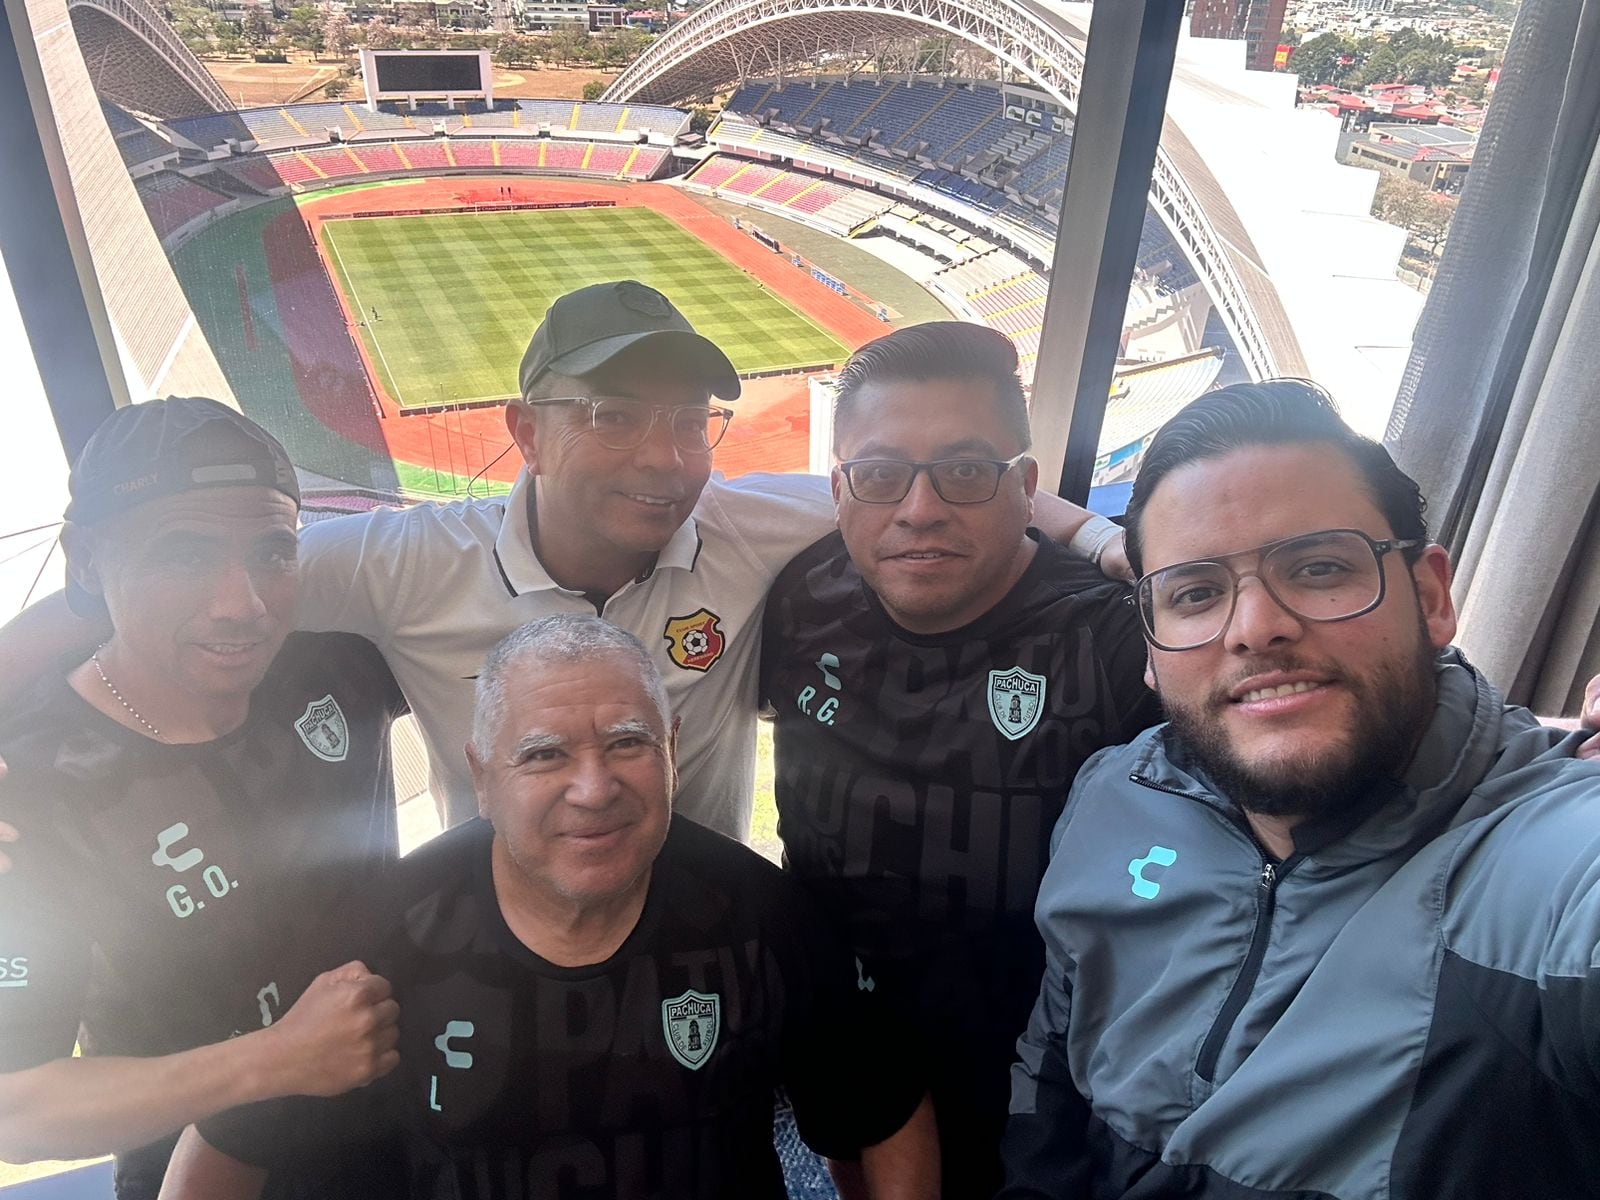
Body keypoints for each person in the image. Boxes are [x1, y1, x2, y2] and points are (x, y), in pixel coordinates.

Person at [0, 282, 1122, 844]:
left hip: (701, 927)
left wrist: (1092, 535)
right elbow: (133, 598)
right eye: (612, 416)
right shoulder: (403, 560)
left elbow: (930, 478)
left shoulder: (753, 520)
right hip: (497, 934)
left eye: (691, 422)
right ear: (526, 431)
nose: (664, 458)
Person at [1002, 380, 1600, 1199]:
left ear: (1430, 598)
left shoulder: (1546, 863)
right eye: (1195, 592)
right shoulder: (1114, 794)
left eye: (1318, 568)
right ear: (1149, 645)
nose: (1256, 626)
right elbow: (1049, 1077)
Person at [160, 616, 940, 1200]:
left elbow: (885, 1113)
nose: (594, 788)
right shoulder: (383, 935)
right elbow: (226, 1141)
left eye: (629, 743)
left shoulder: (762, 916)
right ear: (482, 774)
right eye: (544, 754)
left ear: (672, 749)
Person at [761, 323, 1161, 1197]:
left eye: (966, 472)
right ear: (839, 489)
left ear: (1024, 488)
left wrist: (1104, 538)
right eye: (880, 475)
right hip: (847, 1027)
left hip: (1034, 1074)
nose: (919, 508)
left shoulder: (1109, 641)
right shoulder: (803, 595)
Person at [0, 398, 408, 1199]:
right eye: (182, 555)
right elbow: (16, 1107)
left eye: (272, 554)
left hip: (413, 1142)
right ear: (86, 561)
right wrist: (274, 1060)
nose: (242, 605)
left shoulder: (338, 668)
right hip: (209, 1180)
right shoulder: (34, 790)